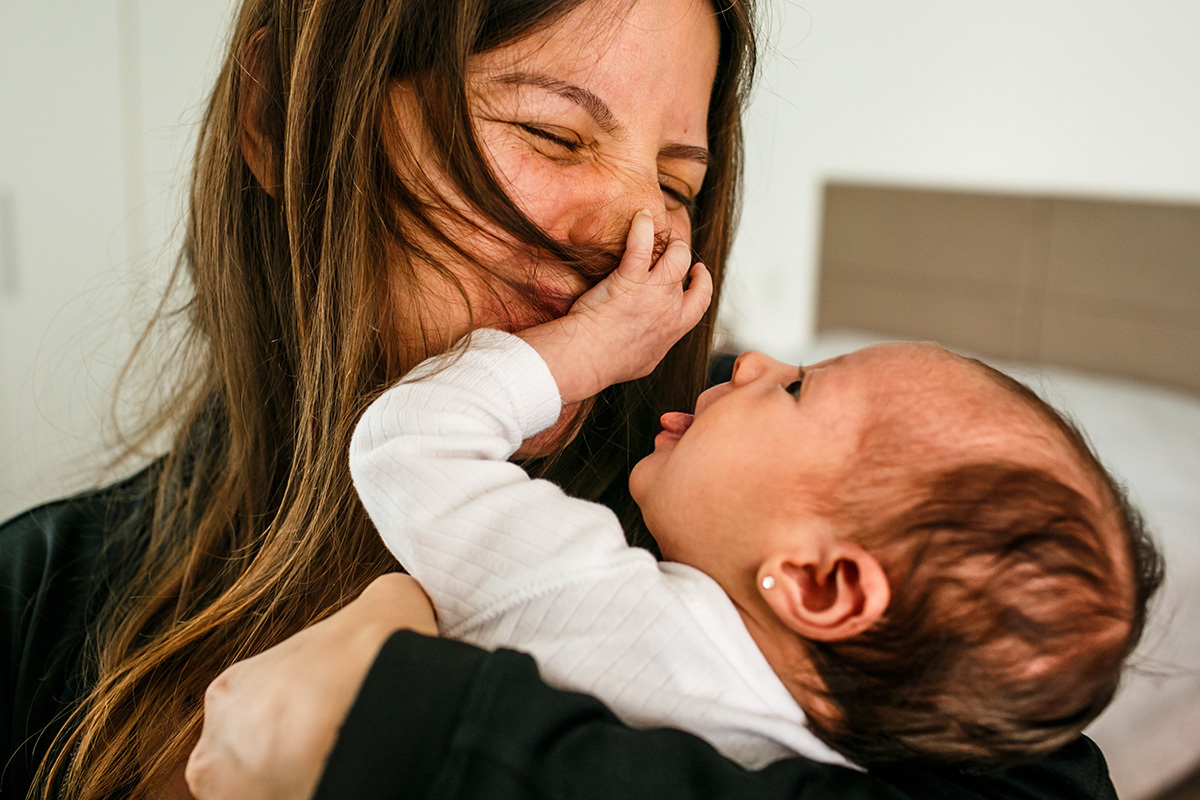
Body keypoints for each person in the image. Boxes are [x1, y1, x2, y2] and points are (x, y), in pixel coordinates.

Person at [0, 0, 1148, 798]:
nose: (636, 231)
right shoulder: (33, 602)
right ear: (276, 123)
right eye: (552, 130)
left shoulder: (772, 528)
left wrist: (411, 739)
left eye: (677, 182)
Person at [347, 210, 1161, 771]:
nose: (753, 362)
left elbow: (409, 441)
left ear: (818, 582)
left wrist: (586, 348)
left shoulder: (600, 606)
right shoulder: (816, 761)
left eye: (799, 390)